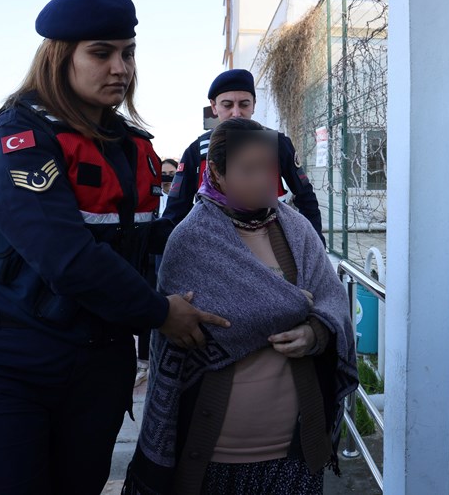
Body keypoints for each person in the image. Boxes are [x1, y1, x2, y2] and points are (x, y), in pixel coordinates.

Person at [0, 0, 229, 495]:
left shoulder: (127, 143)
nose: (121, 67)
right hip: (4, 363)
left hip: (95, 366)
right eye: (101, 52)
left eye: (128, 53)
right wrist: (162, 313)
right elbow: (65, 258)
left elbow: (141, 238)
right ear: (59, 56)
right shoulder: (18, 139)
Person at [124, 118, 358, 495]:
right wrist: (293, 305)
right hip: (212, 454)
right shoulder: (189, 242)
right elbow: (185, 338)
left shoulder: (297, 230)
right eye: (248, 170)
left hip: (294, 455)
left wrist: (316, 332)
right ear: (216, 172)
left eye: (268, 168)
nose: (264, 180)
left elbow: (331, 301)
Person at [162, 69, 325, 244]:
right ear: (213, 107)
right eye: (227, 105)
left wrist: (316, 245)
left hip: (271, 249)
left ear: (254, 104)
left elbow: (305, 197)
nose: (237, 112)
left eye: (244, 104)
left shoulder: (278, 144)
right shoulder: (197, 152)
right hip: (214, 250)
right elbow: (175, 213)